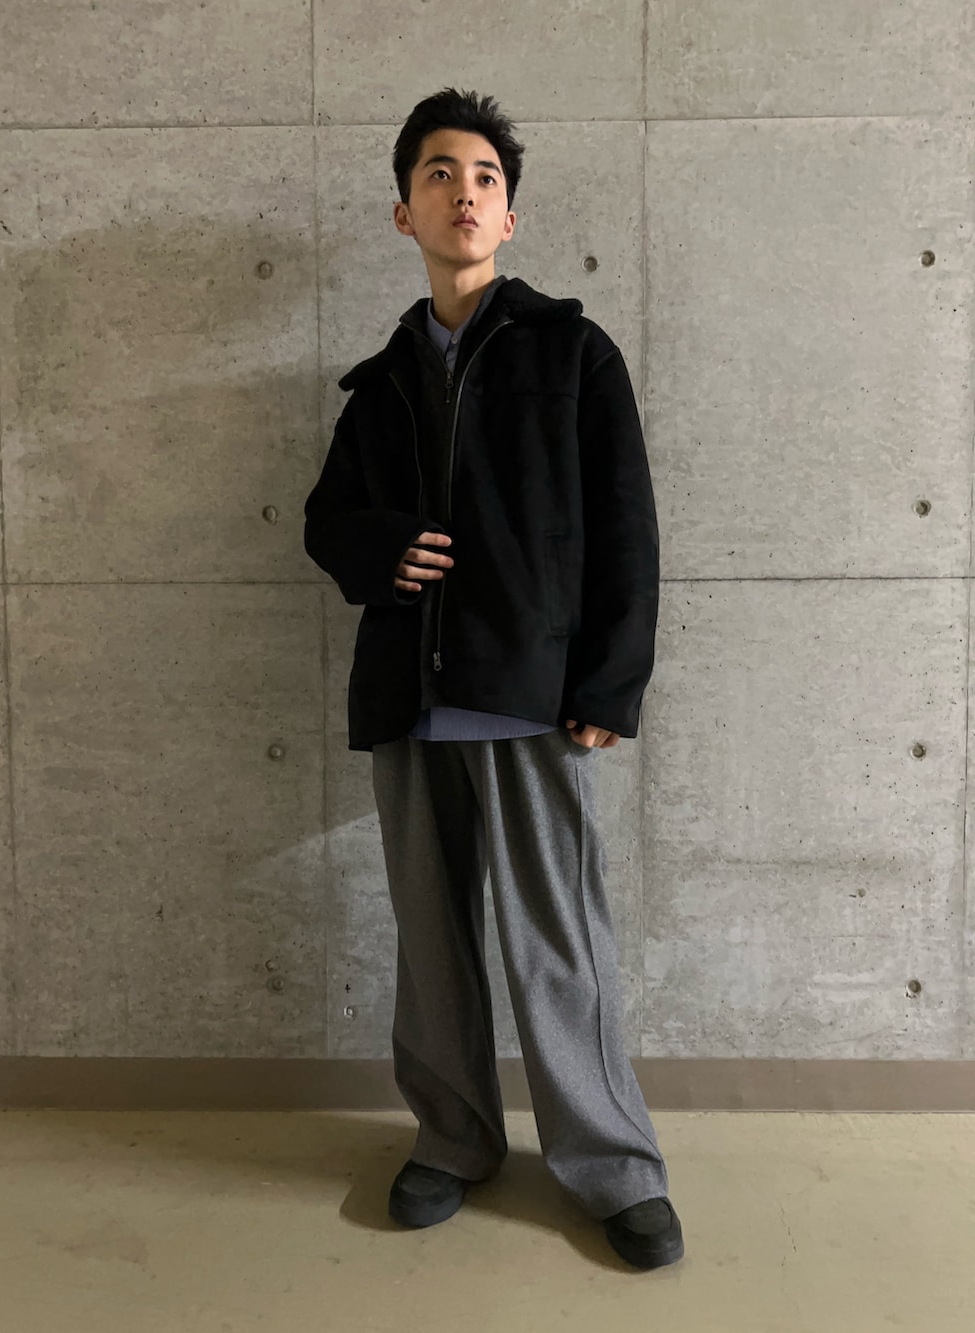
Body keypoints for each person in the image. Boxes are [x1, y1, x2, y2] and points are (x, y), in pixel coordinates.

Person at [303, 87, 683, 1272]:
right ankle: (452, 1139)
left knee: (558, 941)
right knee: (431, 945)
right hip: (408, 700)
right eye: (437, 174)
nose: (461, 193)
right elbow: (326, 522)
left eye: (483, 177)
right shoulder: (379, 382)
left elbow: (626, 530)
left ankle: (613, 1165)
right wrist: (381, 549)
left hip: (531, 698)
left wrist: (608, 686)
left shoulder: (572, 353)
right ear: (403, 212)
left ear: (507, 216)